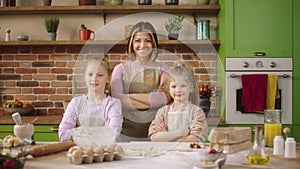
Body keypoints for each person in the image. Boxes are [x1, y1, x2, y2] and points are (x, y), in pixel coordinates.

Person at [110, 21, 170, 142]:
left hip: (156, 135)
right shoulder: (120, 69)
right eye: (137, 40)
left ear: (154, 43)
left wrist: (127, 98)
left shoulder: (163, 69)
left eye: (147, 40)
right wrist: (153, 99)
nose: (142, 45)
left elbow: (166, 98)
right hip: (124, 135)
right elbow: (116, 100)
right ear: (131, 43)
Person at [58, 57, 123, 141]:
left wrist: (81, 130)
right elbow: (63, 134)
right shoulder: (76, 103)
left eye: (100, 75)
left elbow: (114, 132)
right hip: (79, 151)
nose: (94, 79)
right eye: (90, 74)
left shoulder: (113, 104)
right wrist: (103, 129)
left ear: (108, 79)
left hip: (104, 151)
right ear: (85, 77)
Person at [148, 63, 208, 142]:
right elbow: (154, 137)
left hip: (189, 153)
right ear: (169, 89)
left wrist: (166, 136)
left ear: (191, 88)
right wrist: (180, 133)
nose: (178, 90)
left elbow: (195, 139)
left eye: (183, 86)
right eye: (174, 86)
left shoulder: (197, 112)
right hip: (167, 154)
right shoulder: (162, 112)